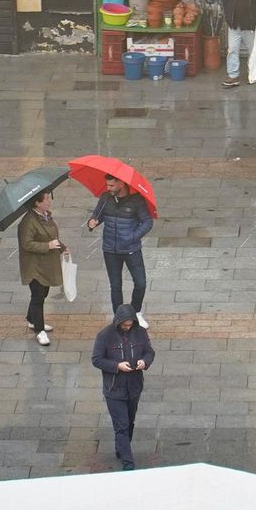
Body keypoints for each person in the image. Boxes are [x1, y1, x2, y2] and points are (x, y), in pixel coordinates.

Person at [90, 304, 154, 471]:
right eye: (124, 324)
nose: (128, 327)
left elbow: (149, 352)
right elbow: (96, 359)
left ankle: (121, 448)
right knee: (122, 424)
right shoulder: (104, 336)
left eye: (130, 324)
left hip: (134, 386)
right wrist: (117, 366)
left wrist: (144, 362)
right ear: (118, 322)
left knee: (130, 421)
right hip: (114, 389)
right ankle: (128, 461)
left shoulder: (140, 333)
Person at [87, 175, 153, 329]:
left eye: (111, 185)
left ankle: (136, 311)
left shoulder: (136, 201)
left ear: (121, 184)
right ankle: (119, 316)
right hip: (110, 250)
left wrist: (132, 237)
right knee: (115, 285)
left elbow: (148, 222)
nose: (108, 188)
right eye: (107, 185)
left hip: (131, 250)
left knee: (140, 283)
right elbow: (97, 215)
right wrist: (92, 222)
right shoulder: (105, 198)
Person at [16, 190, 66, 346]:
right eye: (46, 198)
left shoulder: (45, 216)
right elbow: (27, 244)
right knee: (38, 296)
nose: (49, 200)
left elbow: (51, 236)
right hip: (34, 267)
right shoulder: (28, 222)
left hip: (46, 264)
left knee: (43, 293)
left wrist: (62, 247)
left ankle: (32, 319)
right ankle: (39, 331)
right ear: (37, 203)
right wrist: (48, 246)